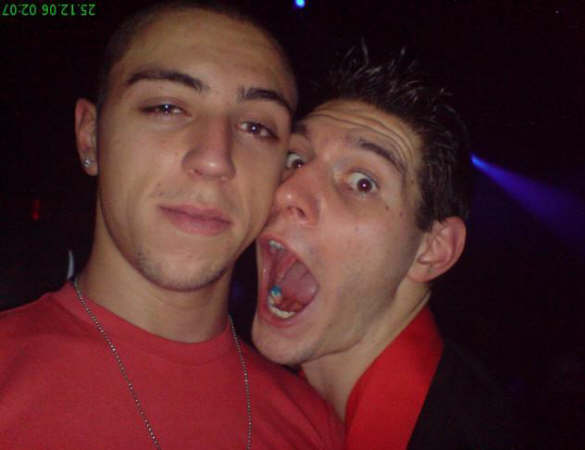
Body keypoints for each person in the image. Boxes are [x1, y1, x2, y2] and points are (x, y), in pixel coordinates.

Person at [0, 2, 343, 448]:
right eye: (166, 107)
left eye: (257, 127)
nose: (215, 159)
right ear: (90, 137)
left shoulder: (315, 426)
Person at [252, 44, 516, 450]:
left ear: (432, 250)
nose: (288, 192)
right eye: (296, 159)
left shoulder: (465, 435)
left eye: (363, 183)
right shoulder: (271, 404)